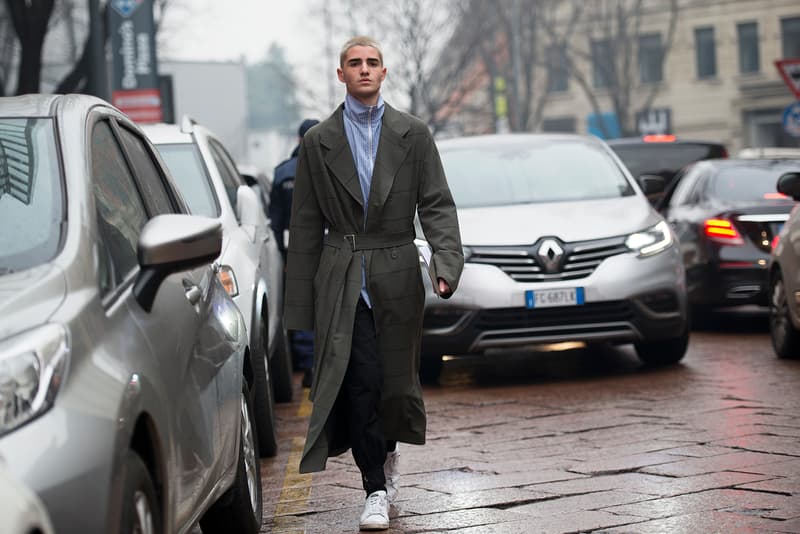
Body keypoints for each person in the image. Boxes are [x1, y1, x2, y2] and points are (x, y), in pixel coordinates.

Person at [283, 36, 463, 531]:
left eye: (372, 63)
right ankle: (374, 488)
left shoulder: (414, 133)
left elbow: (437, 204)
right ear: (340, 74)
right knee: (359, 381)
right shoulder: (319, 141)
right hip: (343, 276)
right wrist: (298, 308)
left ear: (384, 73)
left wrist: (445, 265)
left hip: (398, 272)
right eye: (354, 63)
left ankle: (386, 454)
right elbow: (304, 226)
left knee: (392, 382)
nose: (364, 70)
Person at [270, 118, 319, 388]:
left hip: (296, 253)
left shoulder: (283, 173)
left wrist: (282, 256)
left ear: (299, 140)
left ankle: (310, 364)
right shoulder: (335, 164)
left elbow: (275, 221)